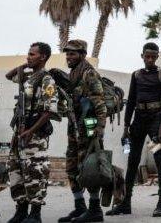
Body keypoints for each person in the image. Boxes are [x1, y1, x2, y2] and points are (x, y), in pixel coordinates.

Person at [106, 43, 161, 217]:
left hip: (156, 119)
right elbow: (130, 102)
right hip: (139, 119)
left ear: (157, 57)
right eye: (147, 56)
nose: (150, 59)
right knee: (133, 160)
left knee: (159, 158)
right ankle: (126, 202)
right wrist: (126, 127)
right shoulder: (136, 75)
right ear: (142, 56)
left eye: (153, 56)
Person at [6, 42, 59, 223]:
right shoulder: (28, 77)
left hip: (35, 134)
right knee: (16, 170)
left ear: (43, 57)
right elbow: (8, 75)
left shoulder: (46, 80)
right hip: (19, 132)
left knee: (35, 171)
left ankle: (35, 214)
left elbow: (49, 110)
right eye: (28, 54)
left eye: (32, 54)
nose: (28, 56)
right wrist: (25, 65)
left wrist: (31, 130)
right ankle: (21, 210)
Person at [58, 40, 107, 223]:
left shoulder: (89, 74)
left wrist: (99, 129)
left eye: (73, 53)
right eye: (67, 53)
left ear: (82, 55)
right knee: (72, 166)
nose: (69, 57)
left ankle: (95, 210)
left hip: (89, 126)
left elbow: (99, 103)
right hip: (75, 126)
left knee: (90, 167)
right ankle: (80, 206)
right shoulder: (72, 74)